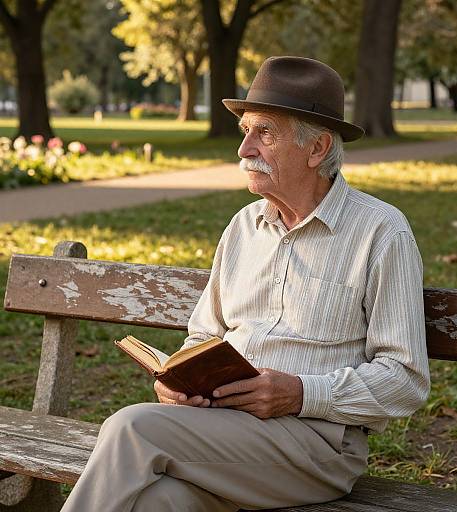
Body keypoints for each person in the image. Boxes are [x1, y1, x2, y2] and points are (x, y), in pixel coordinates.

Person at [62, 56, 430, 512]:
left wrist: (299, 392)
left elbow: (406, 380)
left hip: (314, 446)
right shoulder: (243, 227)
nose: (244, 150)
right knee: (159, 502)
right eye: (246, 132)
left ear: (317, 149)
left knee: (131, 428)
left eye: (265, 134)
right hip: (222, 432)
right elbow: (204, 334)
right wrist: (178, 381)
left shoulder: (380, 232)